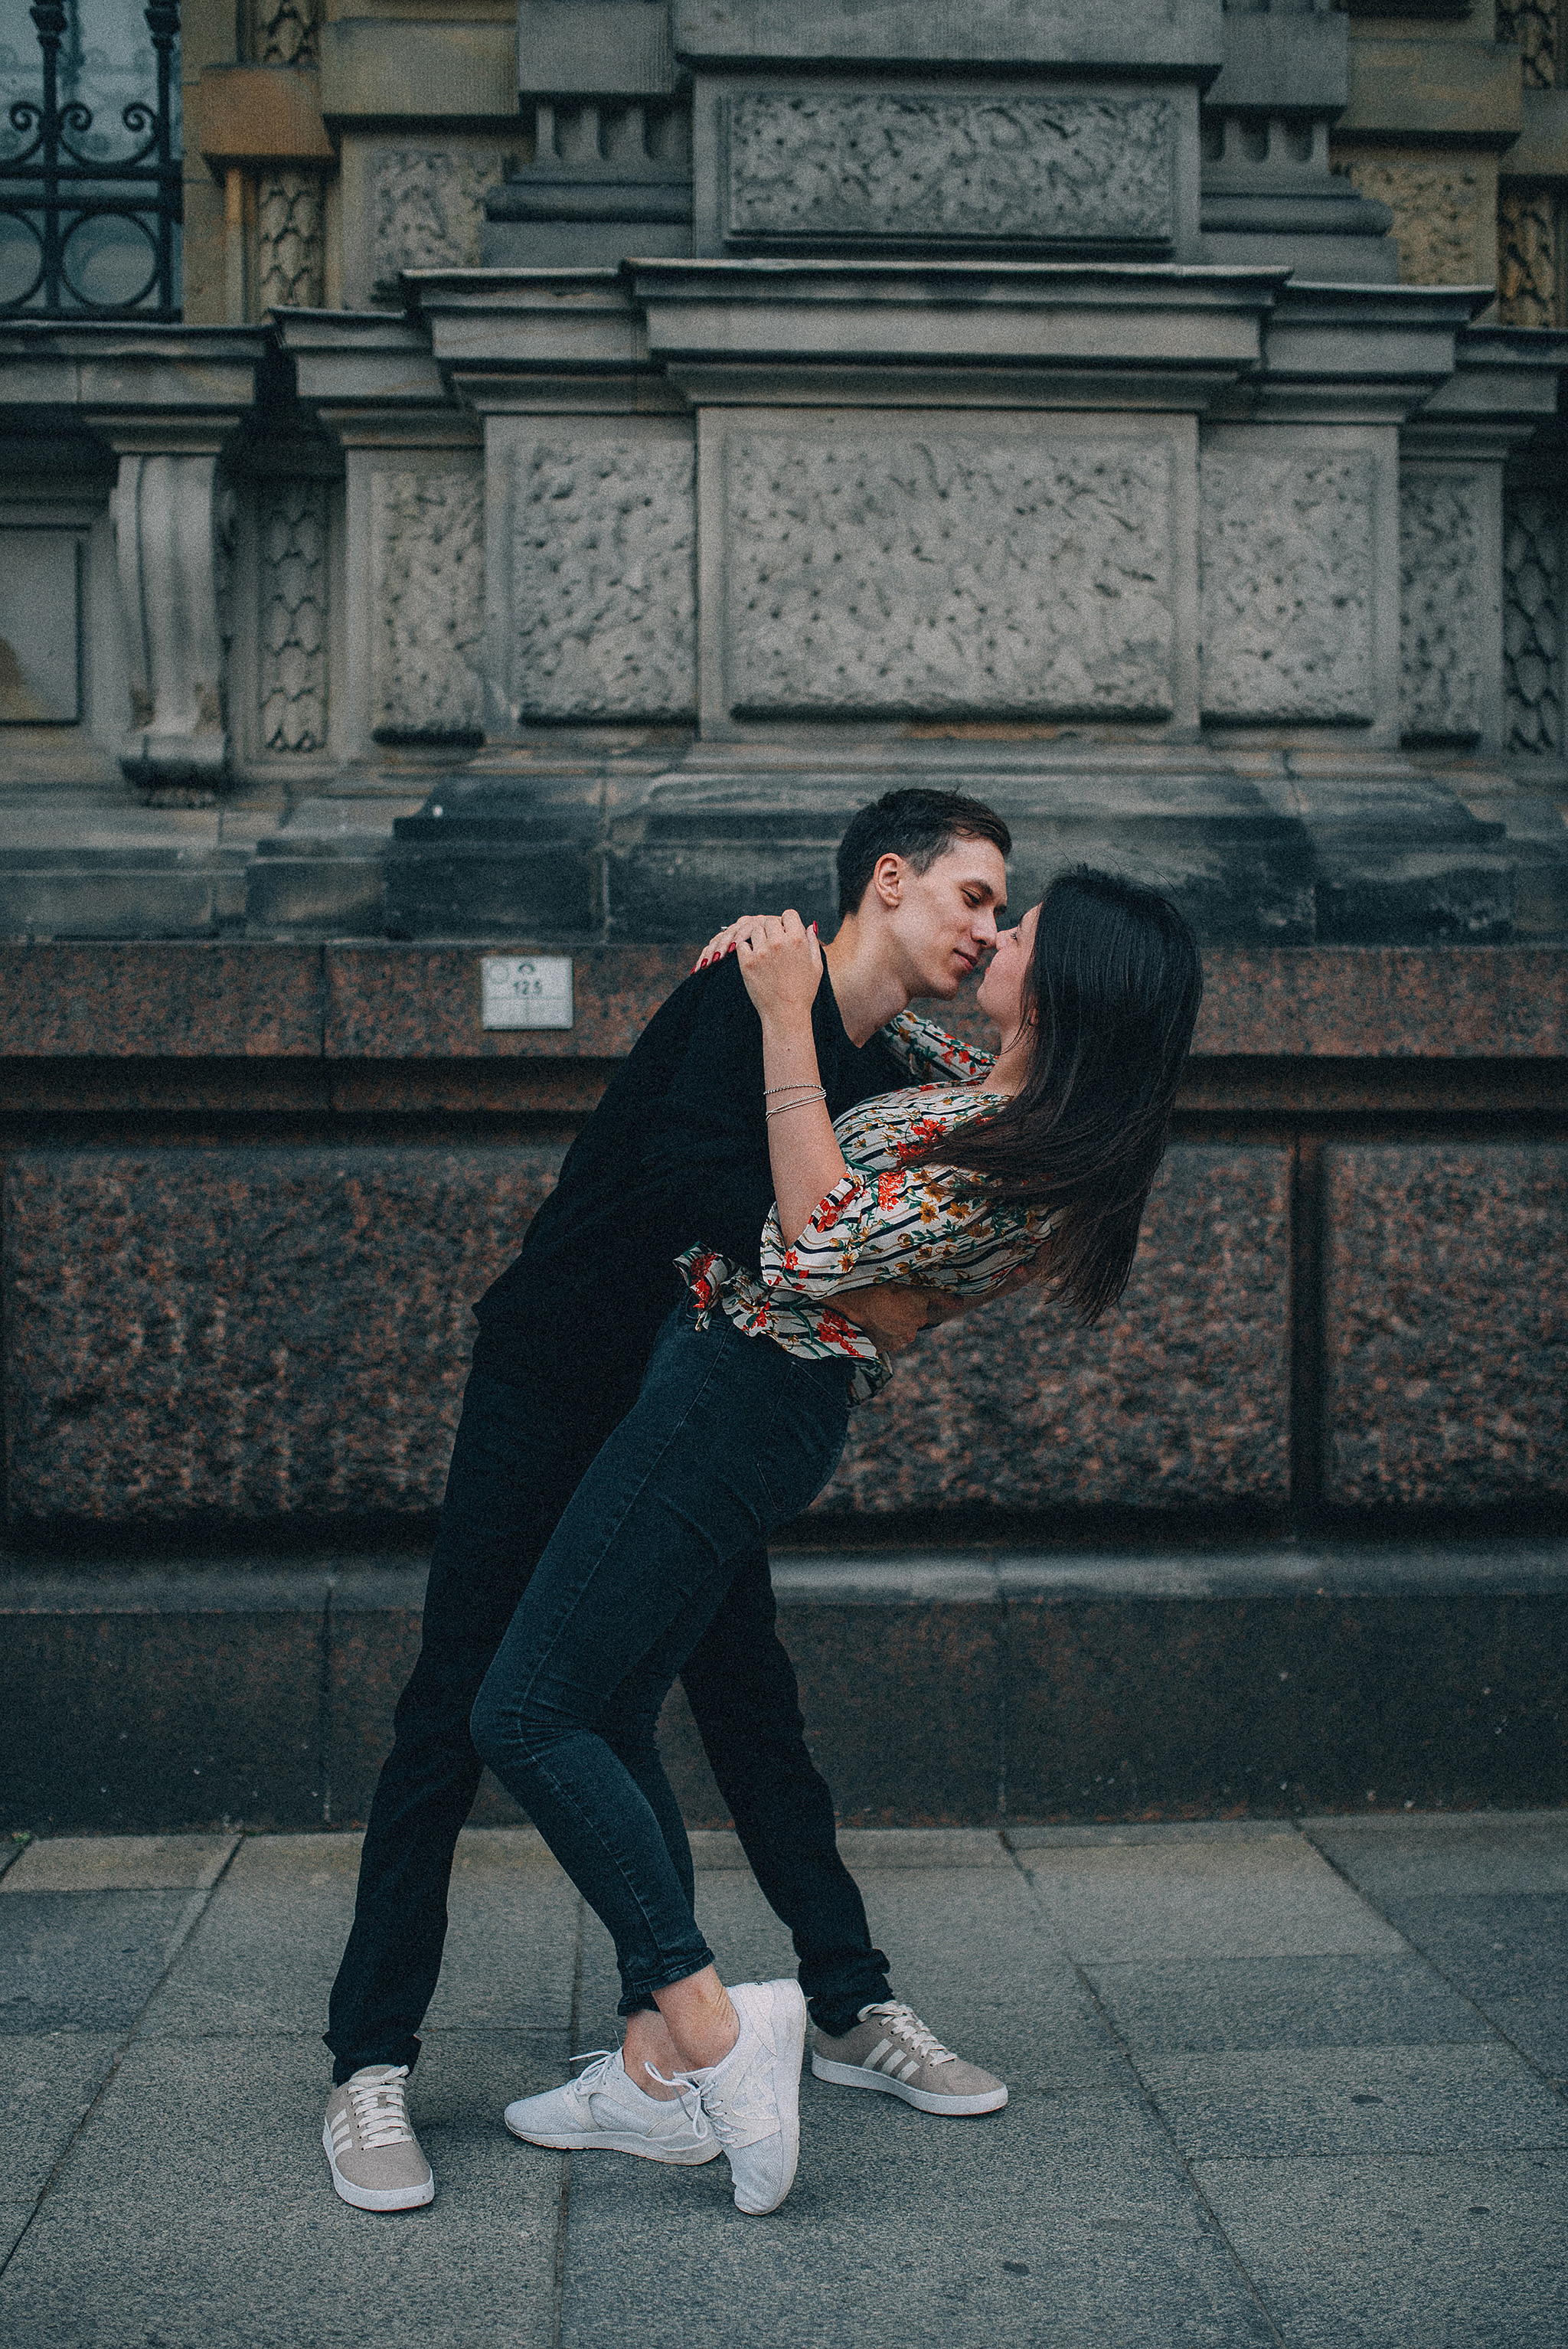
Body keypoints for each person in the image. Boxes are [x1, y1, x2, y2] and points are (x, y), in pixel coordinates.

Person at [321, 789, 1019, 2215]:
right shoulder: (745, 999)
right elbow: (724, 1199)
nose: (988, 927)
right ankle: (370, 2064)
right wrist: (853, 1262)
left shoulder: (886, 1047)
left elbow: (983, 1104)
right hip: (566, 1384)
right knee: (457, 1707)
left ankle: (845, 2006)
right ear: (890, 881)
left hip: (689, 1415)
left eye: (1000, 913)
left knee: (750, 1699)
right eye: (973, 897)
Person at [466, 871, 1203, 2217]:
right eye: (991, 907)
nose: (996, 934)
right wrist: (768, 969)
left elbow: (814, 1246)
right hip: (723, 1389)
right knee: (613, 1706)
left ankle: (715, 2032)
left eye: (1021, 930)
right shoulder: (979, 1081)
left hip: (737, 1399)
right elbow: (857, 1011)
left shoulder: (1017, 1148)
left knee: (523, 1712)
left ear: (1070, 983)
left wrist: (782, 1026)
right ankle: (648, 2076)